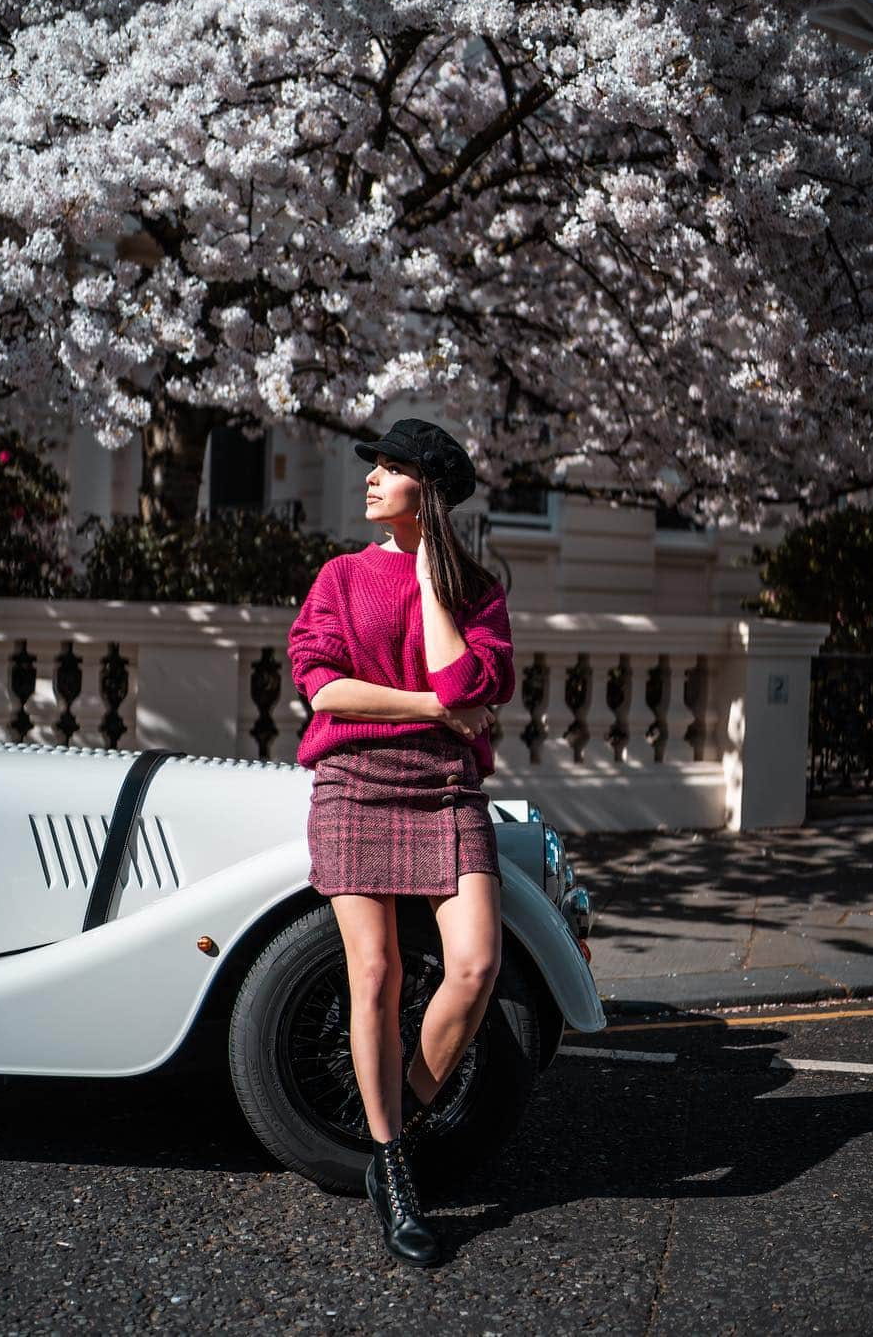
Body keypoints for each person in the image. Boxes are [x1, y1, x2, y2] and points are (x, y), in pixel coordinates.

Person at [286, 417, 515, 1267]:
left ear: (430, 493)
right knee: (375, 973)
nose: (372, 481)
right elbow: (323, 691)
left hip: (447, 789)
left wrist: (427, 580)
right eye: (375, 468)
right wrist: (433, 709)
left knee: (476, 966)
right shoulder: (340, 576)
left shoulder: (476, 589)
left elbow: (475, 679)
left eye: (390, 470)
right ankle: (394, 1165)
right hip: (353, 785)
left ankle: (396, 1127)